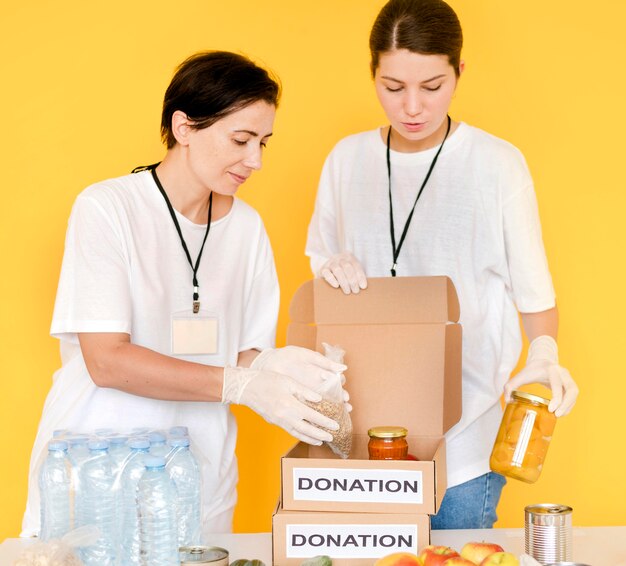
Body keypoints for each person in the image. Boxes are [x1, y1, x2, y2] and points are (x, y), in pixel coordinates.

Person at [22, 50, 347, 537]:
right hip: (97, 470)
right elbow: (106, 360)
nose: (255, 161)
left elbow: (244, 350)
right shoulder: (108, 210)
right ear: (184, 128)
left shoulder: (247, 228)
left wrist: (276, 369)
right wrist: (241, 385)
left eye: (264, 142)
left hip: (200, 472)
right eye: (240, 139)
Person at [306, 0, 578, 529]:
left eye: (432, 87)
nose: (412, 107)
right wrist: (329, 268)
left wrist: (543, 354)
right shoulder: (346, 159)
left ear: (459, 72)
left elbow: (535, 297)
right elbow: (322, 263)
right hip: (362, 440)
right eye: (393, 87)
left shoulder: (498, 164)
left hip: (465, 440)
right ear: (372, 74)